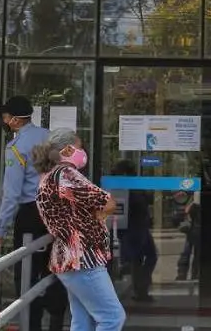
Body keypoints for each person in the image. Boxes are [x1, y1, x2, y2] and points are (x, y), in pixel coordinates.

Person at [33, 129, 126, 331]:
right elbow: (108, 202)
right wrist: (99, 214)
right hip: (83, 258)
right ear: (67, 149)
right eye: (79, 147)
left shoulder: (48, 176)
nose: (83, 152)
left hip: (71, 259)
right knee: (112, 317)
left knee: (83, 321)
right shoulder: (66, 174)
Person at [0, 96, 67, 331]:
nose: (4, 120)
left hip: (31, 215)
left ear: (15, 120)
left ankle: (32, 326)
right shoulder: (50, 137)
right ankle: (56, 322)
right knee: (55, 268)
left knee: (26, 275)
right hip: (56, 211)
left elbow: (12, 195)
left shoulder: (16, 147)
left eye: (5, 116)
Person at [111, 159, 157, 302]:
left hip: (137, 227)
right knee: (143, 258)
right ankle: (139, 289)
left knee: (141, 259)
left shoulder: (127, 186)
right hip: (134, 228)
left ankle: (140, 289)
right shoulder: (124, 188)